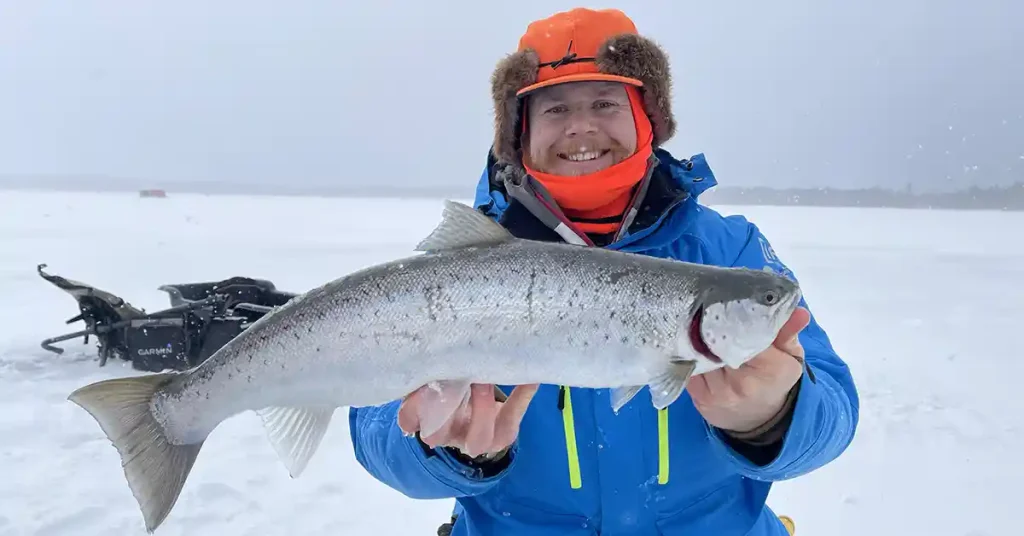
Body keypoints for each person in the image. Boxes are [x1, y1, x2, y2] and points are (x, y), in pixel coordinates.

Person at [349, 7, 859, 535]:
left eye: (604, 103)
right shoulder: (459, 272)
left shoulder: (728, 249)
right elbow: (374, 428)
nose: (581, 126)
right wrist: (447, 448)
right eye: (554, 109)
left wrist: (774, 416)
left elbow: (835, 415)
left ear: (648, 118)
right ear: (519, 134)